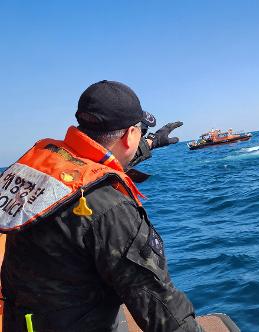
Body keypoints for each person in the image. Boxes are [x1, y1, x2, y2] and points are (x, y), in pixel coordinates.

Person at [0, 80, 203, 331]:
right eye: (140, 130)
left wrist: (150, 144)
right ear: (129, 135)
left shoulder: (44, 171)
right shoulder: (110, 210)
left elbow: (96, 158)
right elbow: (160, 308)